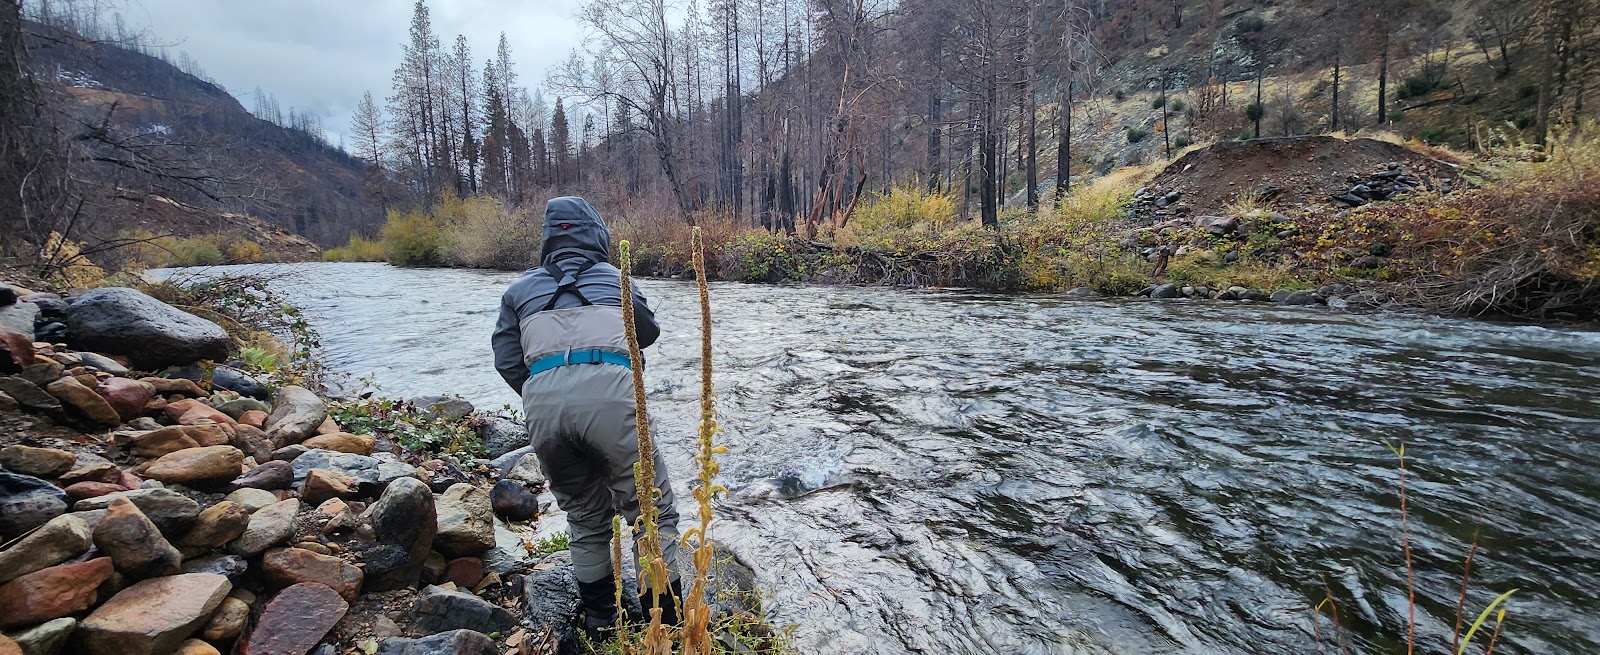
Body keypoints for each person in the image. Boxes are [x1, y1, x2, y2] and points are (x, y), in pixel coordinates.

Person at [491, 196, 682, 634]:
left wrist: (544, 391)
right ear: (597, 235)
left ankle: (600, 621)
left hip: (543, 406)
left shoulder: (518, 291)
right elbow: (648, 331)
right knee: (650, 513)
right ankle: (665, 628)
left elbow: (506, 360)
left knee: (583, 516)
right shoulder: (619, 279)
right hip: (614, 397)